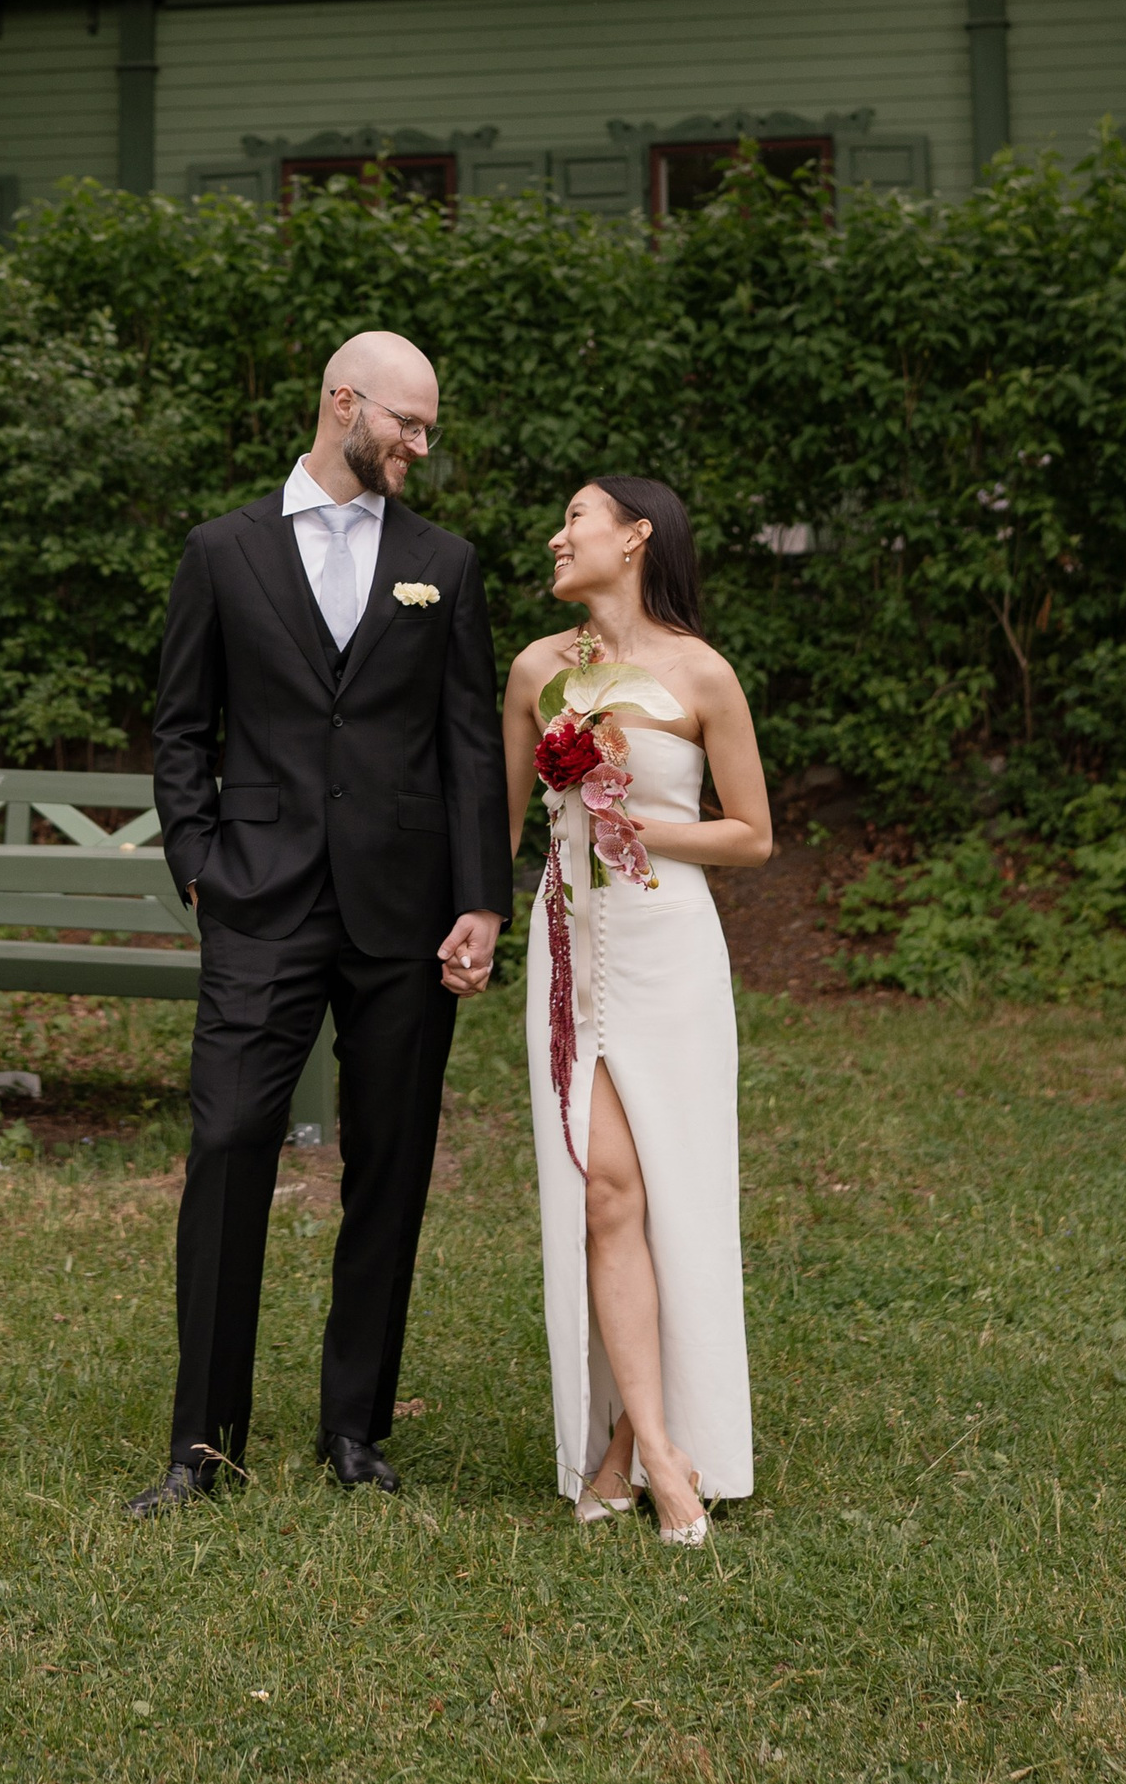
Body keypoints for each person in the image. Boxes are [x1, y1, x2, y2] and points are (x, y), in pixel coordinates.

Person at [132, 330, 508, 1515]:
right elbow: (180, 724)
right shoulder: (221, 551)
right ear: (344, 402)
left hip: (402, 914)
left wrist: (480, 896)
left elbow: (463, 742)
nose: (419, 442)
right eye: (408, 420)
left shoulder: (442, 561)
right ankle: (205, 1444)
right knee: (230, 1143)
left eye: (429, 427)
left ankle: (355, 1427)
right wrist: (200, 862)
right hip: (261, 901)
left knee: (388, 1164)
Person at [505, 476, 772, 1544]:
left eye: (577, 517)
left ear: (634, 535)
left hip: (670, 948)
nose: (558, 535)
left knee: (674, 1196)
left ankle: (627, 1447)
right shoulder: (536, 668)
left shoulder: (702, 671)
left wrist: (638, 824)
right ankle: (659, 1452)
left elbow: (751, 833)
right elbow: (501, 820)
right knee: (605, 1193)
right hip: (570, 945)